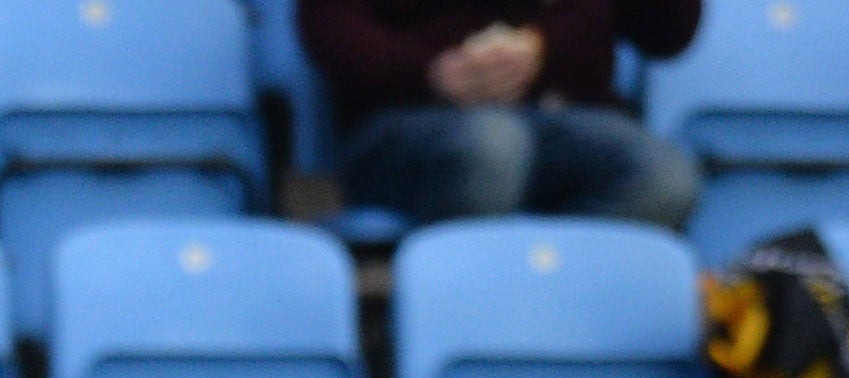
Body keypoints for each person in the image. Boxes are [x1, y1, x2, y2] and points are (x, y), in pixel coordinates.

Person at [299, 0, 704, 229]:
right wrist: (432, 73)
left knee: (663, 174)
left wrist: (545, 45)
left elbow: (668, 34)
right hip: (410, 119)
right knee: (495, 145)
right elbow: (329, 26)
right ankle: (471, 318)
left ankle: (557, 310)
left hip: (564, 119)